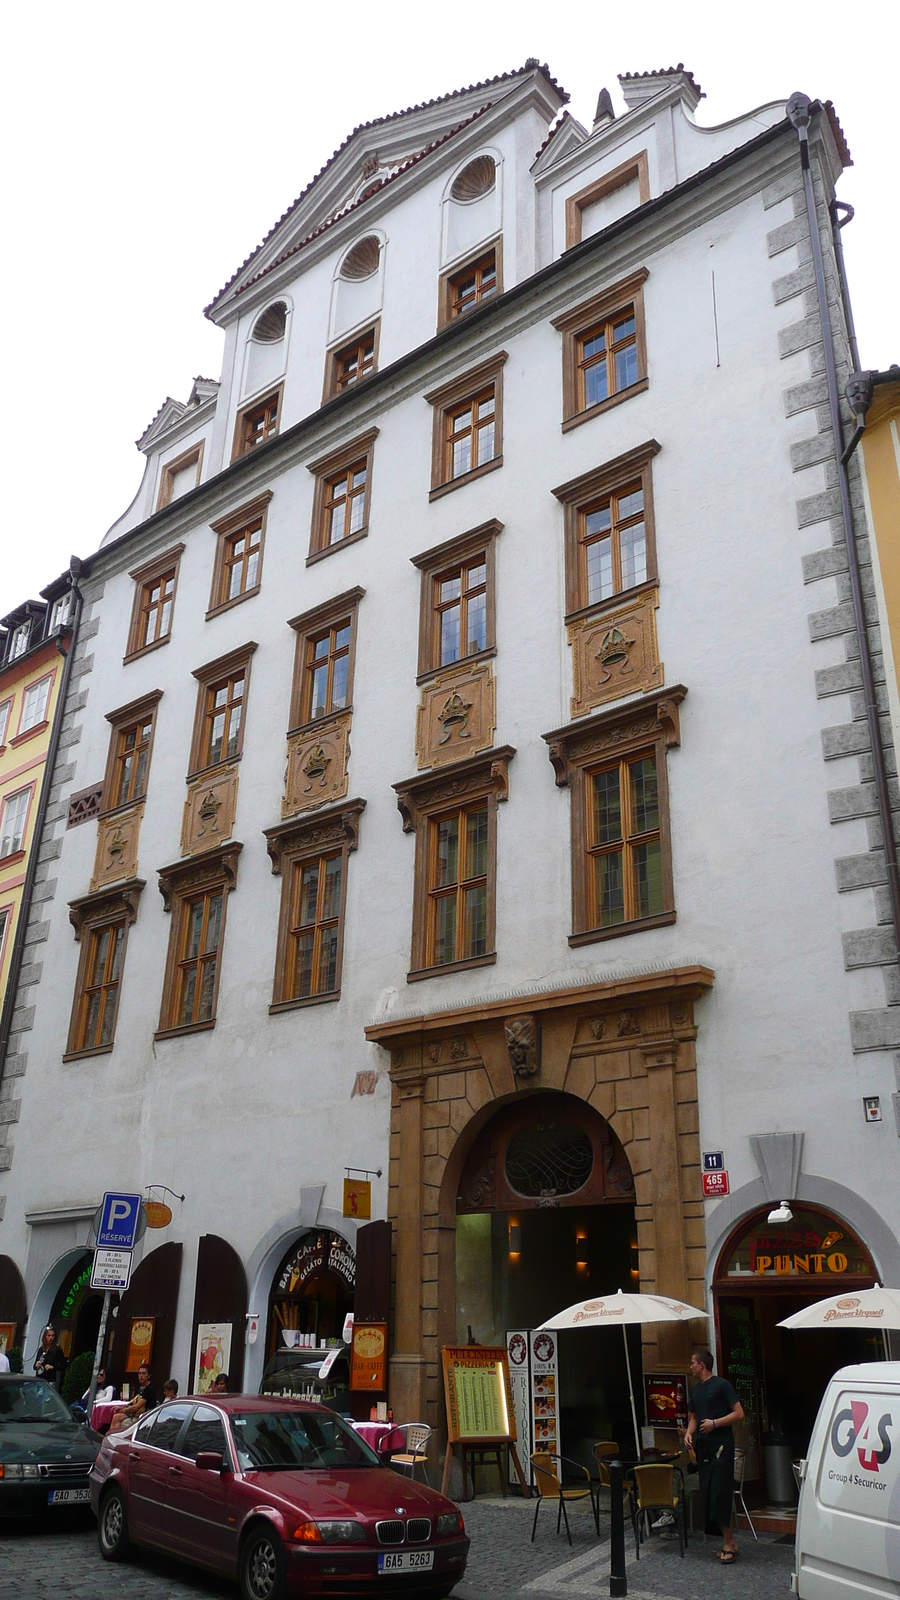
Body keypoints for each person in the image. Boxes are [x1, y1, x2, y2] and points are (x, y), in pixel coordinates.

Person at [684, 1348, 744, 1564]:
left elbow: (739, 1413)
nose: (690, 1366)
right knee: (709, 1493)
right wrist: (689, 1433)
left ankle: (728, 1542)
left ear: (702, 1365)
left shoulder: (721, 1385)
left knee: (720, 1492)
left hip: (722, 1446)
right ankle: (729, 1541)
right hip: (705, 1448)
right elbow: (693, 1417)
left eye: (692, 1362)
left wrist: (715, 1423)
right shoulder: (696, 1390)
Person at [109, 1363, 158, 1433]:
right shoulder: (140, 1388)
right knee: (116, 1417)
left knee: (118, 1420)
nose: (141, 1376)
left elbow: (136, 1407)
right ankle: (112, 1438)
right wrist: (121, 1408)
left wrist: (123, 1410)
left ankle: (114, 1438)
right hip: (135, 1414)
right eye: (139, 1373)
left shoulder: (150, 1389)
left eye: (144, 1374)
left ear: (149, 1375)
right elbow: (133, 1403)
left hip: (144, 1417)